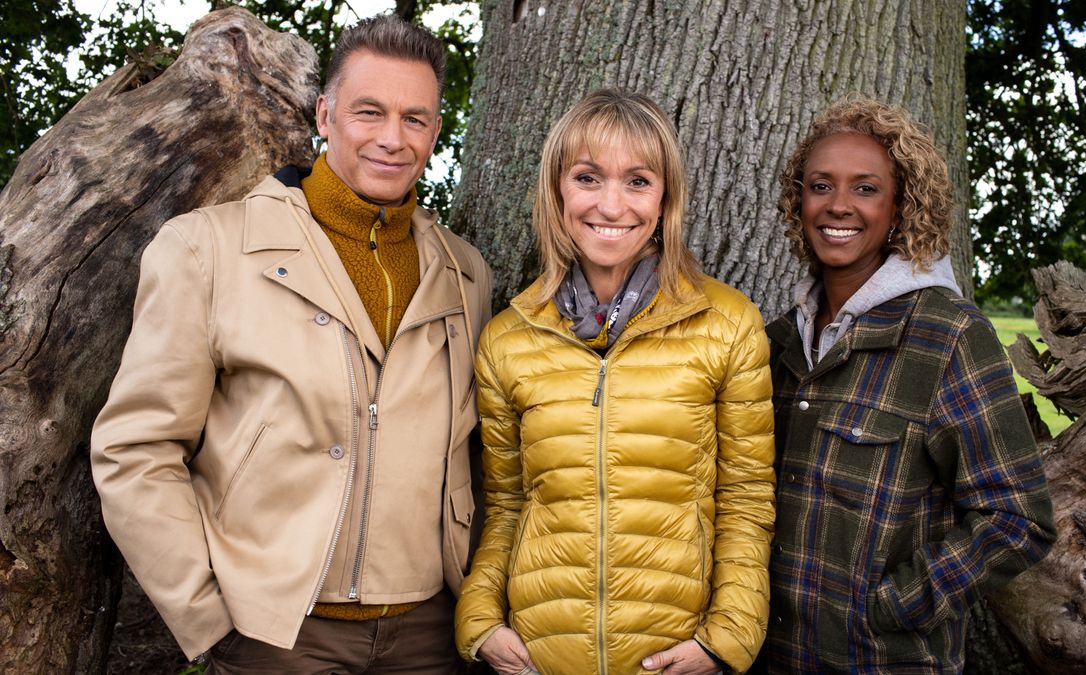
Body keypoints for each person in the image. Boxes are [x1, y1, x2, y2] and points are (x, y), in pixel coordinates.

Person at [90, 15, 492, 673]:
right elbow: (136, 448)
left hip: (429, 634)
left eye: (415, 119)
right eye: (369, 112)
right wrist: (207, 616)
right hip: (275, 635)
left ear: (435, 132)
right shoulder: (207, 249)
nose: (393, 138)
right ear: (325, 114)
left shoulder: (467, 274)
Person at [453, 89, 776, 675]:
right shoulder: (508, 337)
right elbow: (504, 505)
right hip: (539, 657)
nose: (611, 204)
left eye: (637, 181)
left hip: (674, 657)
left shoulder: (728, 324)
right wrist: (480, 620)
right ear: (557, 191)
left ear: (665, 198)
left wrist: (726, 640)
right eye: (587, 177)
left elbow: (747, 502)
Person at [758, 99, 1057, 673]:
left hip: (882, 659)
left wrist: (892, 606)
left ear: (901, 207)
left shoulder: (948, 337)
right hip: (770, 657)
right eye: (821, 185)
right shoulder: (777, 343)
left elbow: (1018, 518)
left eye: (865, 188)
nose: (838, 205)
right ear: (800, 201)